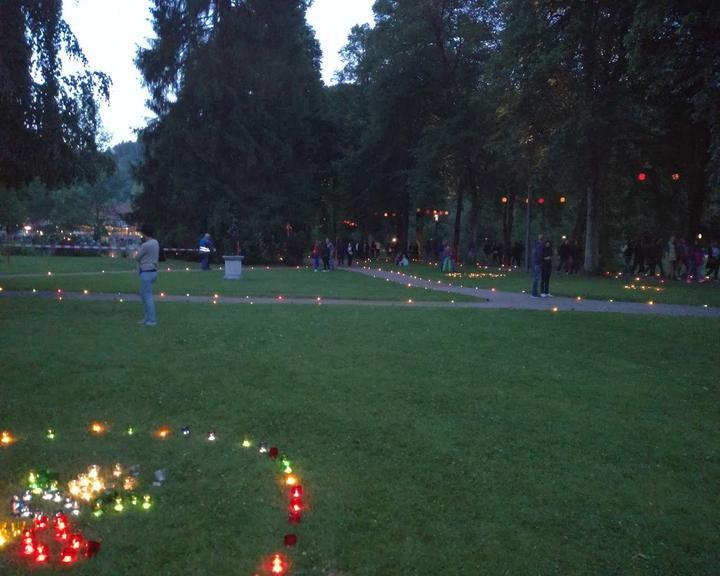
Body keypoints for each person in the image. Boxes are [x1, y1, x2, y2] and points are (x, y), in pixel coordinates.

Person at [136, 224, 159, 326]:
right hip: (153, 270)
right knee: (143, 295)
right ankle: (147, 318)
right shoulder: (155, 242)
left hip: (146, 271)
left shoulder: (145, 245)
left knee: (147, 296)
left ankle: (152, 320)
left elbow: (137, 257)